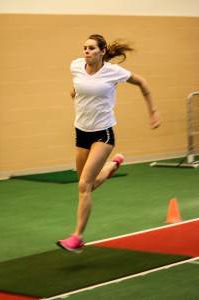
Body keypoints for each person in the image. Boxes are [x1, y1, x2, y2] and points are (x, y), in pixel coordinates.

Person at [56, 34, 161, 253]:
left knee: (84, 185)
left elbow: (142, 82)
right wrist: (76, 93)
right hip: (81, 132)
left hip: (102, 134)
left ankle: (77, 238)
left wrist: (152, 110)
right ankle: (112, 166)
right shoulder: (76, 66)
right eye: (84, 48)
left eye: (92, 48)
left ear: (102, 52)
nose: (87, 51)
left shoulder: (114, 72)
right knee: (89, 184)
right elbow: (75, 88)